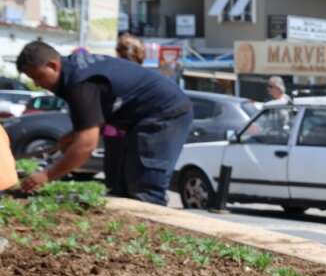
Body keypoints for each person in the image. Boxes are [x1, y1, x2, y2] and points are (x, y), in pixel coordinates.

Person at [16, 41, 193, 204]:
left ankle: (151, 232)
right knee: (120, 185)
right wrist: (71, 137)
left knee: (145, 187)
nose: (37, 84)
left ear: (53, 66)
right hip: (135, 119)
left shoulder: (80, 82)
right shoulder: (73, 74)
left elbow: (86, 145)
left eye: (38, 77)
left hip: (164, 113)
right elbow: (92, 123)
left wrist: (47, 174)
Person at [101, 33, 147, 195]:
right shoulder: (145, 76)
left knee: (114, 179)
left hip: (115, 132)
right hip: (136, 133)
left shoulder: (116, 74)